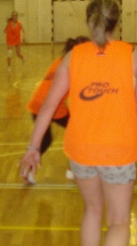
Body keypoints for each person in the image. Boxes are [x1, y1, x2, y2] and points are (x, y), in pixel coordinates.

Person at [18, 0, 137, 246]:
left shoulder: (73, 56)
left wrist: (33, 148)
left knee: (92, 211)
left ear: (89, 22)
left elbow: (48, 106)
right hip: (119, 151)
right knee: (119, 220)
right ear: (117, 22)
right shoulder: (135, 56)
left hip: (81, 150)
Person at [25, 36, 90, 184]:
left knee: (54, 138)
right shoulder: (73, 66)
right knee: (79, 132)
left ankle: (28, 169)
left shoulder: (60, 61)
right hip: (49, 107)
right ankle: (75, 168)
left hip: (41, 104)